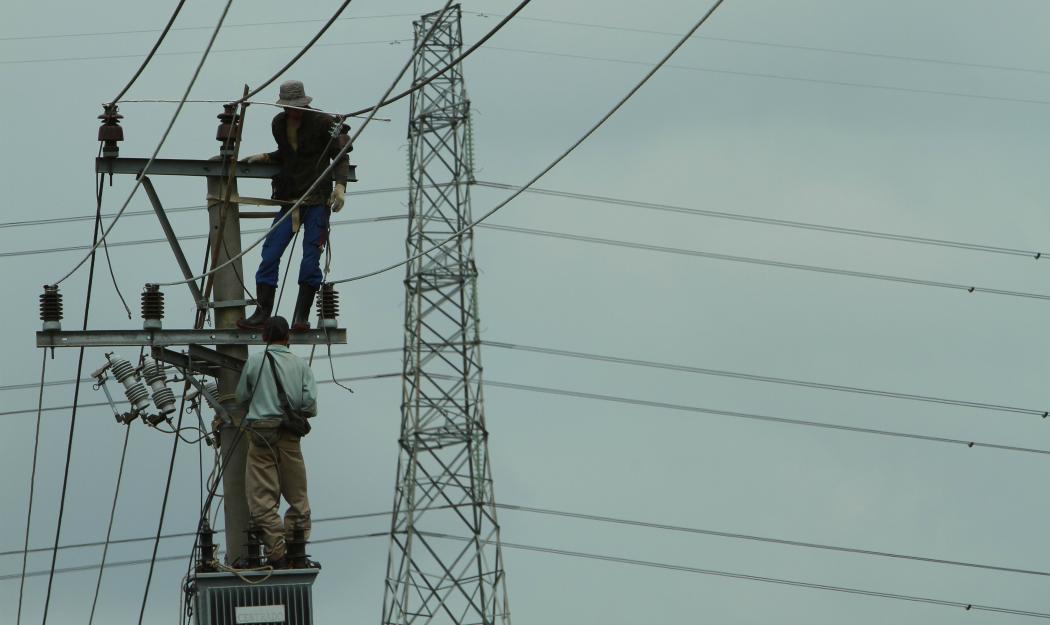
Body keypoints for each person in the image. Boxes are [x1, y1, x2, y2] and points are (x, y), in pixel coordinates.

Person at [238, 79, 351, 332]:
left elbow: (341, 156)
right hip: (289, 199)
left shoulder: (323, 122)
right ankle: (262, 312)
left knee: (310, 259)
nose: (293, 111)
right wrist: (266, 157)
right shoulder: (279, 124)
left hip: (316, 201)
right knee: (270, 254)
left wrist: (340, 186)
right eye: (289, 107)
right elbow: (289, 154)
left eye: (297, 106)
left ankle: (301, 315)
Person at [235, 316, 318, 568]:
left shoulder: (255, 361)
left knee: (262, 499)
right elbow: (309, 406)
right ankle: (297, 551)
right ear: (287, 336)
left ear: (263, 336)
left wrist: (261, 400)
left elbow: (241, 397)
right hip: (290, 437)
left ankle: (277, 554)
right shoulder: (300, 365)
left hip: (262, 436)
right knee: (298, 497)